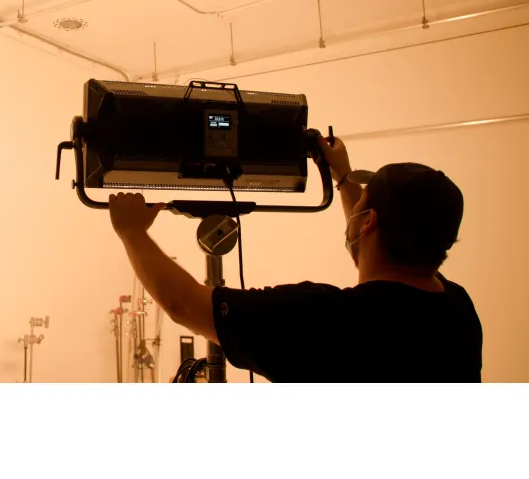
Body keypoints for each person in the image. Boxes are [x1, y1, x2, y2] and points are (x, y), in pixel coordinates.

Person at [108, 135, 483, 382]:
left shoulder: (321, 320)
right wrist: (342, 177)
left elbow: (184, 304)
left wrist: (131, 231)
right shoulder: (456, 309)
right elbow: (371, 249)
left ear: (369, 221)